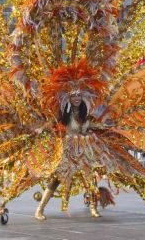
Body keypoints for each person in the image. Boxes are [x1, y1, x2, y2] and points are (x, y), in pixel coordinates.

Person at [35, 91, 103, 220]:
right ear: (68, 98)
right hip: (67, 149)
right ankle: (40, 209)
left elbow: (91, 127)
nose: (77, 98)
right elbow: (50, 123)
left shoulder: (86, 113)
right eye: (73, 95)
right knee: (56, 180)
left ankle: (93, 208)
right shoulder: (63, 113)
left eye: (79, 95)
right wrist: (41, 129)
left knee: (91, 178)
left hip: (83, 149)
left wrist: (103, 125)